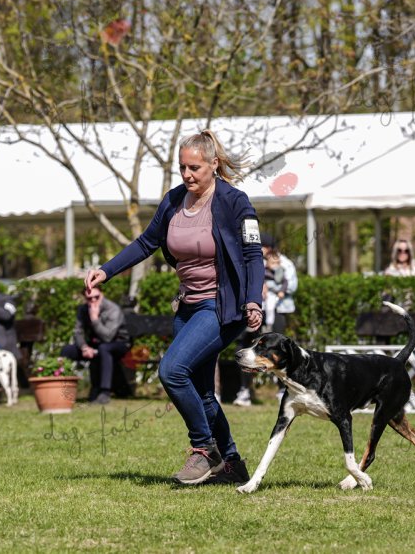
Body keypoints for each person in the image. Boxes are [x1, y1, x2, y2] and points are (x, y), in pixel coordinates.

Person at [86, 129, 264, 486]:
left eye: (194, 168)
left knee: (172, 370)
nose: (187, 174)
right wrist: (106, 270)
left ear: (213, 164)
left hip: (222, 306)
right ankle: (231, 464)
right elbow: (146, 242)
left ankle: (204, 449)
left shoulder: (234, 202)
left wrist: (254, 299)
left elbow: (252, 254)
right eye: (182, 167)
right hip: (187, 305)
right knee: (201, 389)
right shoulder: (173, 200)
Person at [234, 233, 297, 407]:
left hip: (277, 310)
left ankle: (283, 389)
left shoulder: (285, 263)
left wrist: (270, 287)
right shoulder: (252, 261)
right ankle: (245, 390)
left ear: (269, 248)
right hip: (255, 309)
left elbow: (292, 285)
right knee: (246, 346)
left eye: (262, 246)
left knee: (279, 348)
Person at [59, 285, 127, 405]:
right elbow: (78, 332)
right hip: (93, 345)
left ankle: (105, 392)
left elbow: (108, 337)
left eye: (96, 297)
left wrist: (94, 319)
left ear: (102, 294)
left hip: (117, 343)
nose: (93, 300)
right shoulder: (83, 309)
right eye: (89, 298)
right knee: (67, 350)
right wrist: (84, 347)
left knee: (103, 349)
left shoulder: (113, 309)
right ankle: (62, 389)